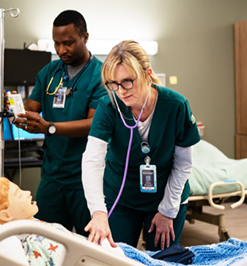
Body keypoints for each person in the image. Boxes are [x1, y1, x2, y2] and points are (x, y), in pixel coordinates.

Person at [82, 40, 201, 251]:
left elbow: (183, 164)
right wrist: (98, 211)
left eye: (128, 81)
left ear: (148, 73)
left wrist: (167, 211)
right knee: (116, 259)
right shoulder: (108, 106)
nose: (121, 91)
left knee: (164, 259)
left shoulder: (176, 106)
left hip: (166, 196)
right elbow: (92, 161)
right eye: (113, 83)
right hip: (120, 196)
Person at [5, 10, 108, 236]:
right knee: (45, 241)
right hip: (52, 175)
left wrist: (49, 127)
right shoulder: (50, 72)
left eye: (68, 43)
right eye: (56, 43)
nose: (61, 50)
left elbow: (95, 124)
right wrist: (13, 109)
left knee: (88, 246)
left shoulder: (101, 75)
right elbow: (31, 110)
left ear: (85, 37)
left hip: (85, 180)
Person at [0, 177, 125, 265]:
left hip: (111, 250)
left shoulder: (36, 225)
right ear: (6, 216)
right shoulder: (33, 243)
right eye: (19, 195)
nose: (28, 192)